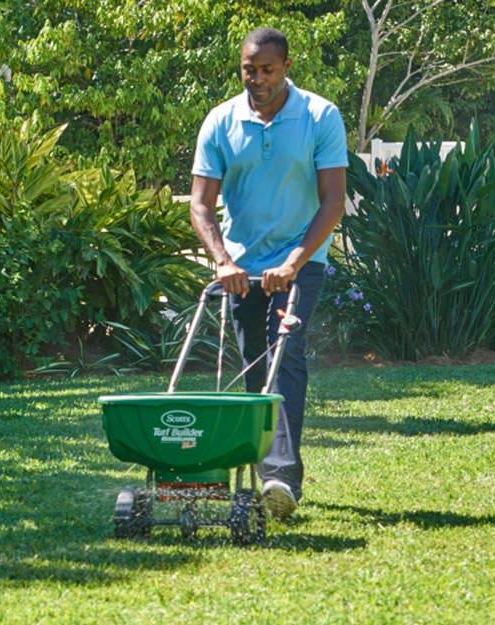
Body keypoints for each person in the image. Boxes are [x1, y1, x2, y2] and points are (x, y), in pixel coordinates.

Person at [188, 27, 347, 519]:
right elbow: (200, 205)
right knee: (254, 364)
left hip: (300, 265)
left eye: (267, 70)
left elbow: (333, 202)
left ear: (286, 67)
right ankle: (263, 470)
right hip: (240, 268)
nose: (256, 79)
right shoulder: (220, 121)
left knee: (287, 355)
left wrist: (293, 263)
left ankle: (281, 478)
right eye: (248, 70)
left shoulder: (320, 116)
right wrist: (223, 261)